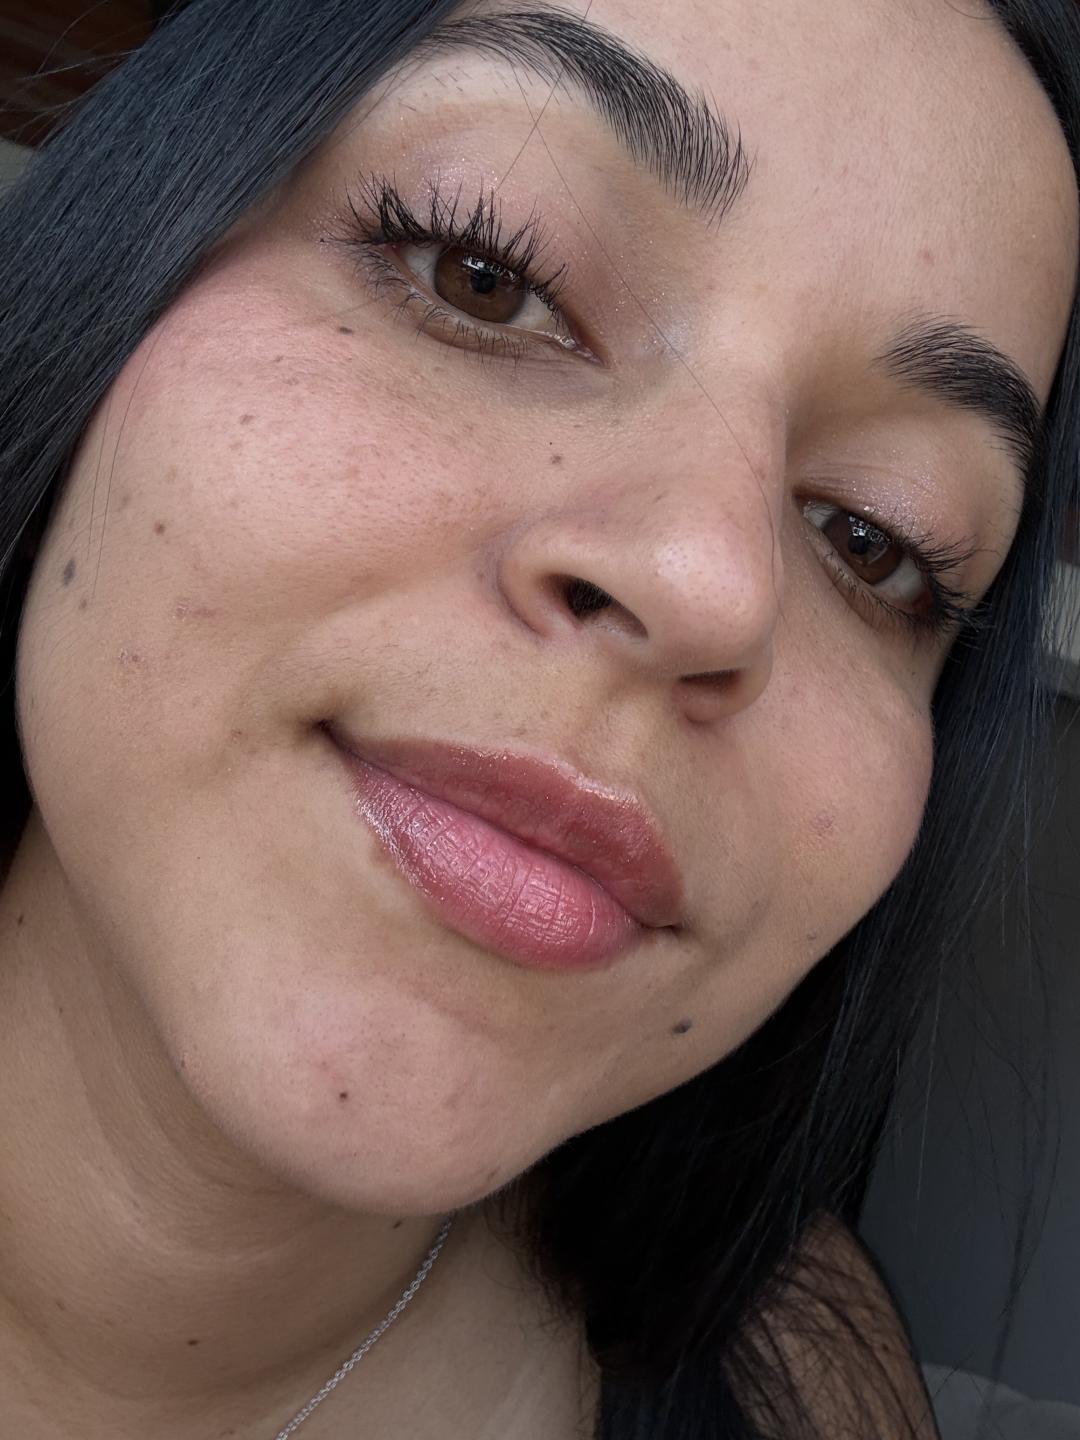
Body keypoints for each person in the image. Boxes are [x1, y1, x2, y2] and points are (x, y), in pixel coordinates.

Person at [0, 0, 1077, 1435]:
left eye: (873, 538)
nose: (715, 583)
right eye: (489, 272)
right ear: (116, 262)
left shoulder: (805, 1391)